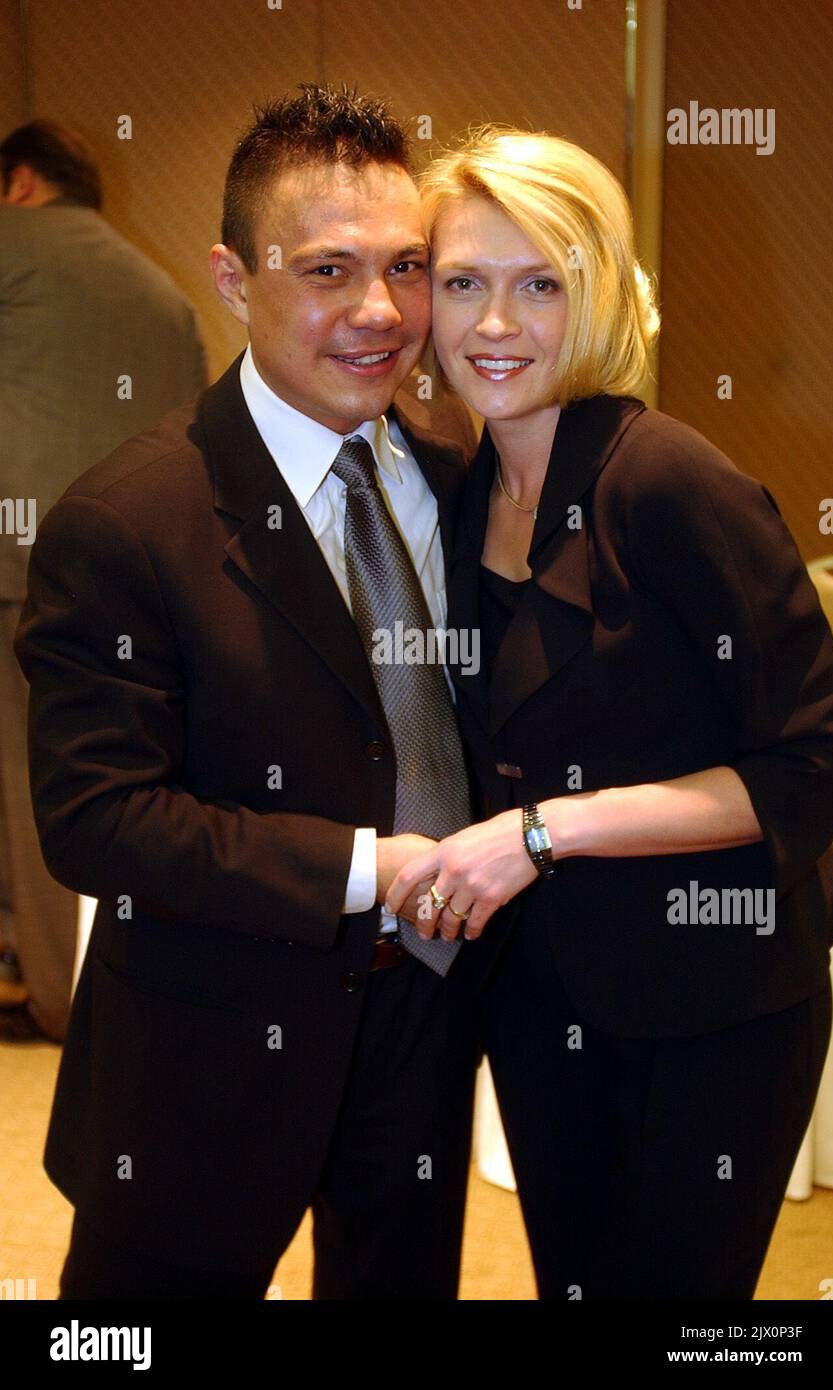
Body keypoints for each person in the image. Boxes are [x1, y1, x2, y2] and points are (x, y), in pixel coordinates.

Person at [14, 87, 480, 1299]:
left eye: (407, 268)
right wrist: (382, 866)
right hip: (201, 1051)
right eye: (327, 269)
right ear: (233, 279)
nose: (380, 314)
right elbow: (98, 819)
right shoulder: (125, 521)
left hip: (421, 1024)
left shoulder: (459, 478)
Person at [386, 127, 833, 1299]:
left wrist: (544, 831)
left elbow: (816, 764)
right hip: (545, 1000)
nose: (497, 325)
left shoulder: (670, 482)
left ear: (597, 294)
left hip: (713, 1006)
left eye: (540, 283)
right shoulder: (463, 491)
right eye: (464, 283)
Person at [0, 119, 208, 1041]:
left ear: (17, 183)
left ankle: (48, 990)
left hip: (17, 554)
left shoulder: (11, 243)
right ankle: (84, 978)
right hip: (149, 566)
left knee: (29, 774)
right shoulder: (161, 288)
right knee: (123, 779)